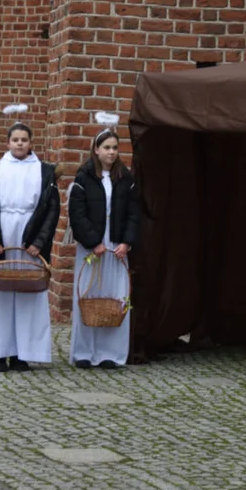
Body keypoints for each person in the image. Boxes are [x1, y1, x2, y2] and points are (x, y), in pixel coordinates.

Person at [0, 104, 61, 372]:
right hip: (2, 234)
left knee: (27, 293)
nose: (20, 144)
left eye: (24, 140)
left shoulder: (44, 172)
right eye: (15, 140)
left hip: (29, 236)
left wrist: (39, 243)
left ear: (31, 142)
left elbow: (52, 211)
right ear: (8, 142)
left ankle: (23, 353)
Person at [68, 112, 140, 369]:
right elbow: (77, 214)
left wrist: (126, 242)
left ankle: (111, 353)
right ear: (96, 150)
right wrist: (92, 242)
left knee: (114, 297)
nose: (111, 152)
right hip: (94, 247)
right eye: (106, 148)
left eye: (115, 148)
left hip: (116, 245)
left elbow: (134, 213)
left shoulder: (125, 179)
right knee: (89, 295)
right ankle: (85, 352)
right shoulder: (84, 177)